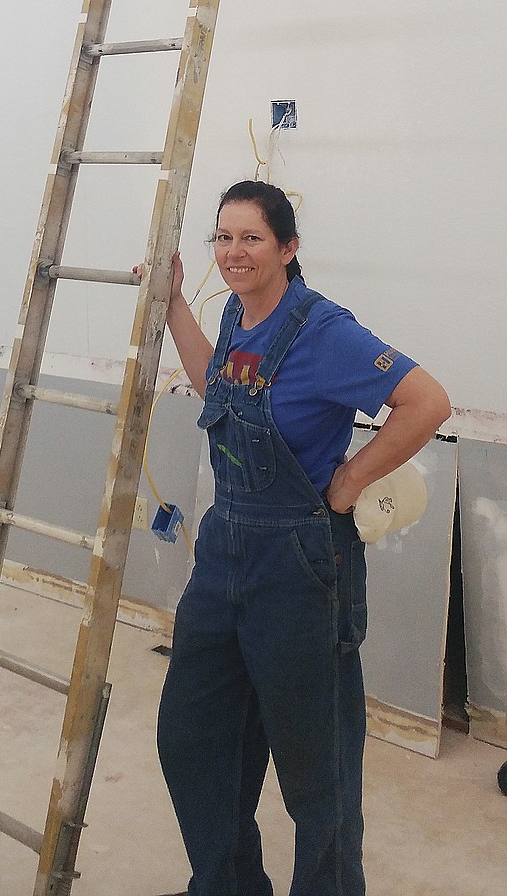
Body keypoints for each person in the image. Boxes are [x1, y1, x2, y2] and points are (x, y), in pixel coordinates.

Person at [150, 180, 451, 896]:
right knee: (193, 738)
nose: (233, 252)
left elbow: (426, 401)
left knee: (318, 771)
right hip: (225, 550)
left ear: (287, 248)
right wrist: (170, 306)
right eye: (222, 238)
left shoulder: (322, 328)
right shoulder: (236, 319)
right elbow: (215, 385)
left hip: (302, 568)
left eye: (251, 238)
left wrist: (348, 483)